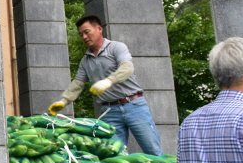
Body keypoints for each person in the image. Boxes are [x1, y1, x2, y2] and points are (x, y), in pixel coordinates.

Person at [48, 15, 163, 155]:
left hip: (134, 105)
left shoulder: (116, 47)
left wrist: (109, 81)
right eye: (81, 34)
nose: (84, 37)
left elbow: (127, 68)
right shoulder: (85, 60)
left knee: (152, 150)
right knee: (113, 154)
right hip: (109, 111)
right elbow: (78, 84)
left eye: (86, 32)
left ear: (99, 29)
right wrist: (63, 101)